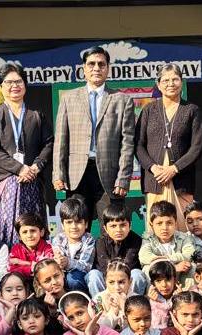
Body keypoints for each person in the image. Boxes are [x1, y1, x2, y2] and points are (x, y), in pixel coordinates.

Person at [53, 46, 136, 215]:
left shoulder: (122, 100)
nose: (96, 68)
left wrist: (123, 178)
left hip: (110, 177)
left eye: (101, 64)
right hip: (76, 175)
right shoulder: (69, 98)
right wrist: (58, 174)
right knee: (77, 225)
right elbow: (61, 141)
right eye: (91, 64)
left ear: (108, 68)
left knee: (111, 226)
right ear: (84, 68)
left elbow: (127, 144)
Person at [0, 63, 51, 243]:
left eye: (18, 81)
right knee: (5, 235)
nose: (14, 86)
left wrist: (36, 167)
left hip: (32, 183)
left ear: (25, 85)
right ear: (1, 87)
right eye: (9, 82)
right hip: (3, 184)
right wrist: (19, 169)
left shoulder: (36, 116)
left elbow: (49, 143)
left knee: (33, 234)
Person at [136, 63, 202, 224]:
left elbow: (197, 147)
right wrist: (153, 168)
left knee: (183, 228)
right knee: (157, 227)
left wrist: (174, 168)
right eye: (165, 80)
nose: (170, 84)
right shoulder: (148, 110)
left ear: (181, 82)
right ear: (158, 84)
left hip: (182, 180)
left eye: (175, 79)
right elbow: (138, 144)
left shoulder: (191, 110)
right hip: (156, 179)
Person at [90, 203, 148, 295]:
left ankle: (133, 302)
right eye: (113, 226)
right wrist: (113, 284)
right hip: (108, 282)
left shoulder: (136, 241)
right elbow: (104, 267)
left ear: (130, 225)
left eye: (123, 225)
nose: (118, 230)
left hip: (126, 282)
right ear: (105, 228)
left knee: (137, 274)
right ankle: (100, 303)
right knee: (93, 275)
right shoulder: (100, 242)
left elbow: (129, 265)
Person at [139, 200, 197, 288]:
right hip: (159, 275)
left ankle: (187, 294)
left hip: (179, 275)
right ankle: (153, 295)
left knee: (192, 267)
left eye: (169, 223)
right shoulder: (148, 238)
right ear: (151, 225)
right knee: (147, 269)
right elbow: (144, 257)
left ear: (175, 223)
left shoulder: (183, 237)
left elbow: (190, 254)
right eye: (159, 223)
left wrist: (168, 259)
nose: (164, 228)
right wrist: (173, 267)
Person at [51, 197, 96, 292]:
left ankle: (80, 299)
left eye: (78, 222)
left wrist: (68, 262)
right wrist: (59, 260)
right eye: (69, 222)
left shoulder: (89, 240)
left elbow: (85, 266)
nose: (74, 226)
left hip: (80, 278)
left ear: (86, 224)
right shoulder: (58, 239)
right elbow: (58, 257)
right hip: (62, 274)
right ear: (62, 225)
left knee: (73, 279)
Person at [8, 212, 54, 278]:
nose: (29, 235)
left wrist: (21, 262)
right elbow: (11, 269)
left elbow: (45, 266)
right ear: (19, 236)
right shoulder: (16, 249)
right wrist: (30, 268)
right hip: (22, 282)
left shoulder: (47, 247)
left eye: (33, 231)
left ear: (41, 232)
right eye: (24, 232)